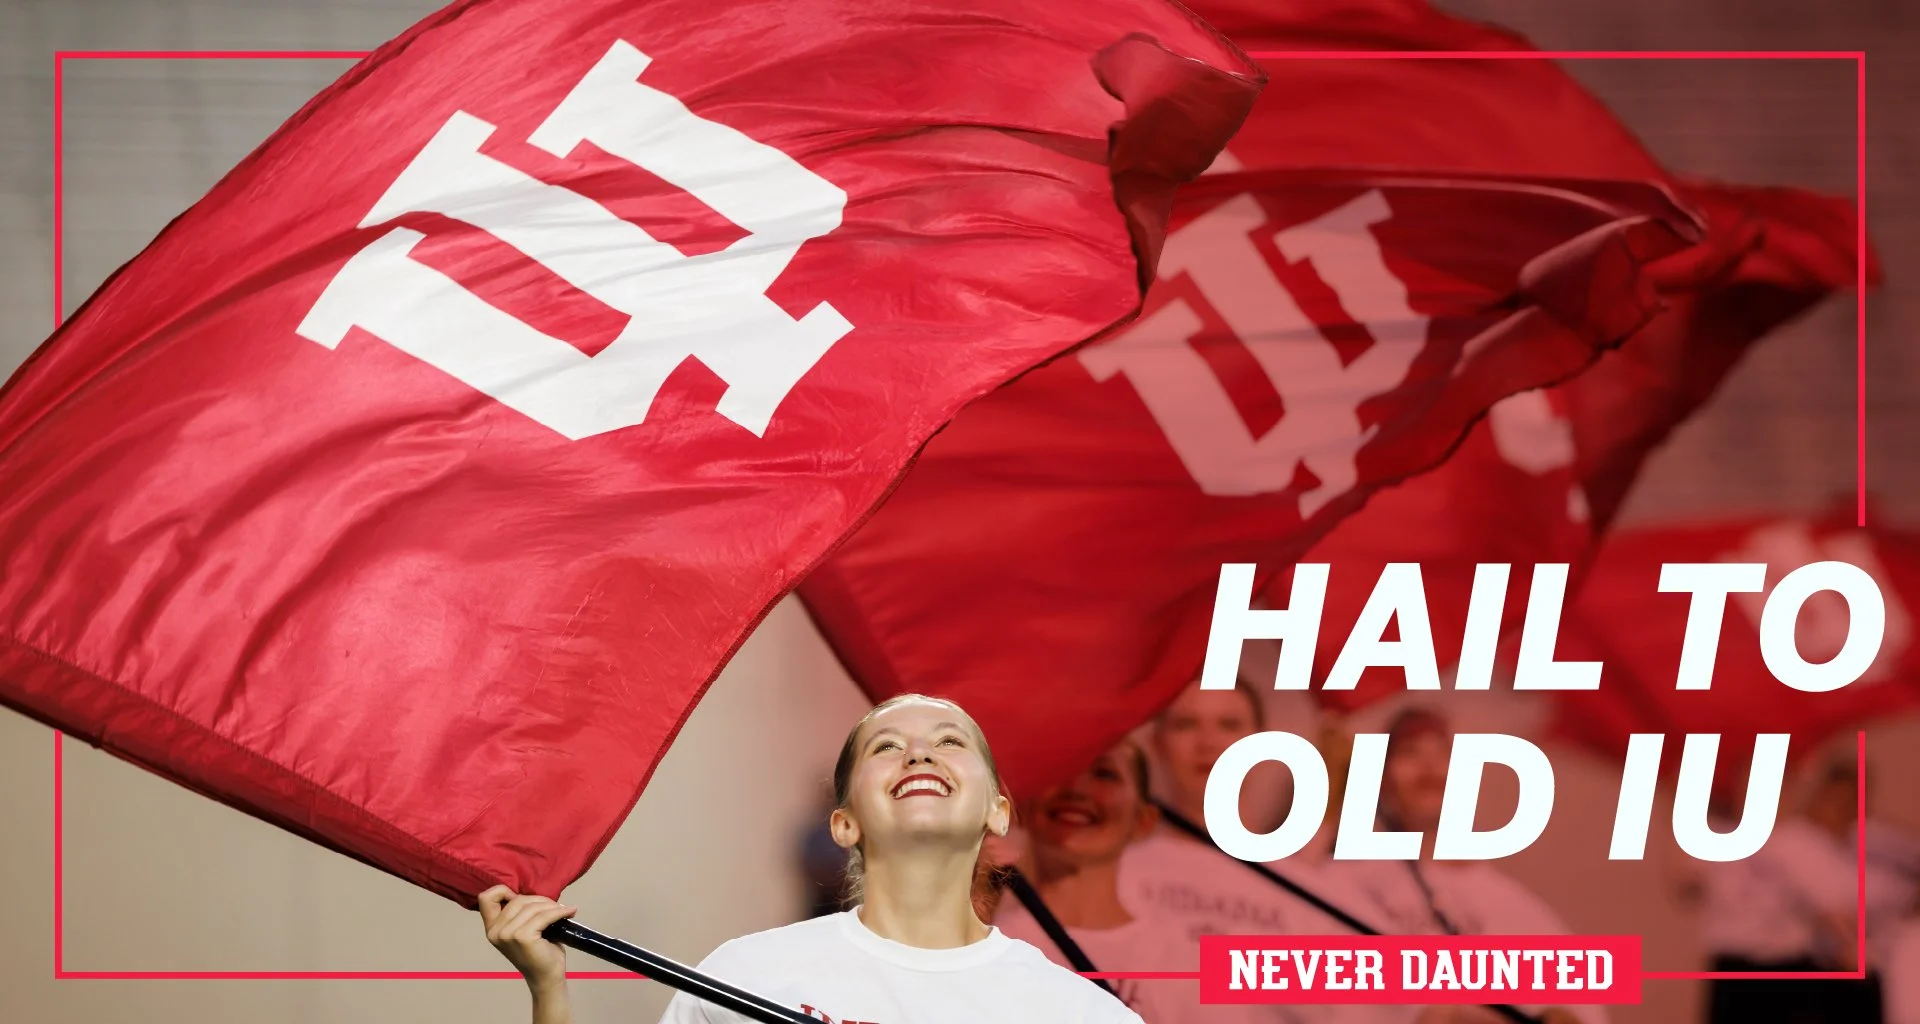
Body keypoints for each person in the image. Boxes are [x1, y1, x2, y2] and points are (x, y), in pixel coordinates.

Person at [480, 693, 1144, 1024]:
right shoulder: (745, 975)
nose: (919, 753)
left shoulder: (1081, 1015)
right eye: (886, 747)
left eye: (949, 741)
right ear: (844, 823)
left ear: (998, 810)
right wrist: (548, 988)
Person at [1312, 706, 1601, 1024]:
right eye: (1409, 753)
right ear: (1380, 777)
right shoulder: (1342, 881)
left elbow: (1581, 1010)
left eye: (1442, 752)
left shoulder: (1513, 902)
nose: (1429, 766)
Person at [991, 737, 1268, 1023]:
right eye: (1061, 769)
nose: (1075, 788)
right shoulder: (984, 948)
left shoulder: (1186, 964)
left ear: (1143, 820)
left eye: (1104, 774)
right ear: (1020, 805)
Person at [1700, 756, 1878, 1024]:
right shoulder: (1721, 837)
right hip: (1732, 969)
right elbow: (1683, 880)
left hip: (1781, 971)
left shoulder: (1800, 843)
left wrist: (1854, 947)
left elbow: (1834, 910)